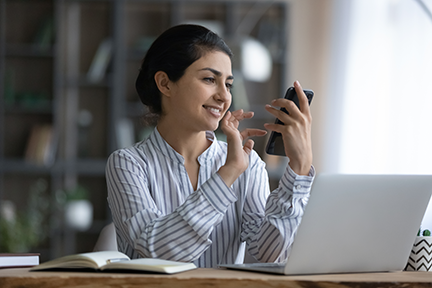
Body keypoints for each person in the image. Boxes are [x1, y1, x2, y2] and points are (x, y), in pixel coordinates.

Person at [106, 24, 315, 268]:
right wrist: (228, 173)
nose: (224, 96)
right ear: (165, 83)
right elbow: (159, 251)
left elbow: (270, 254)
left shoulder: (248, 165)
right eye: (209, 79)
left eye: (228, 84)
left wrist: (299, 171)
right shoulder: (128, 164)